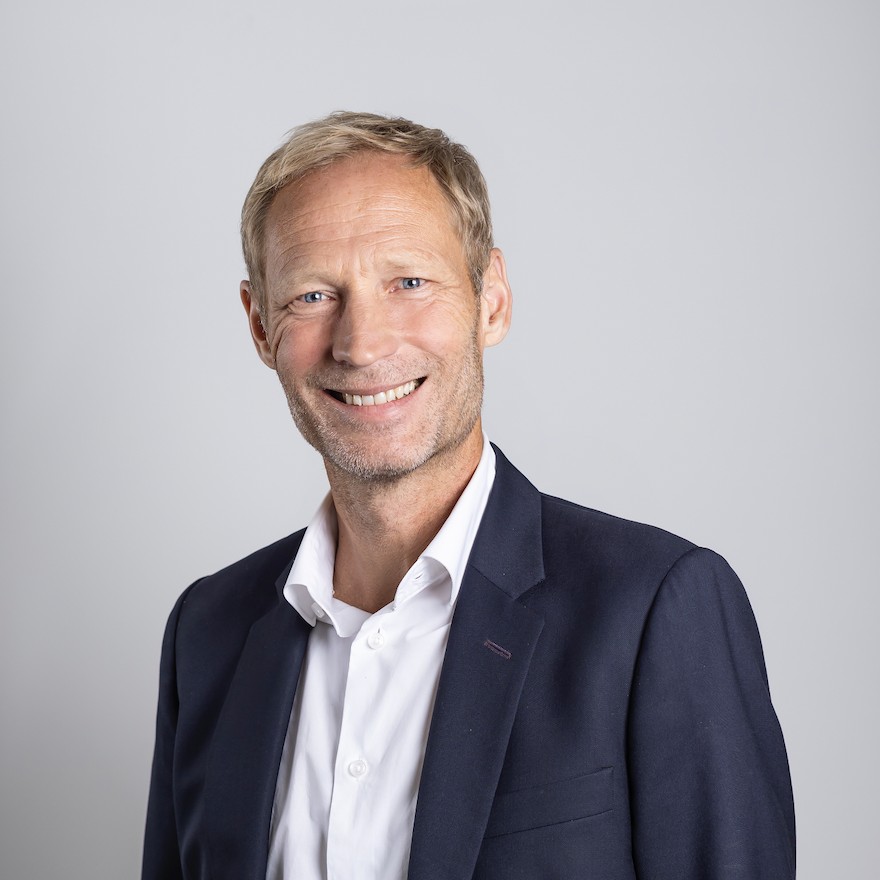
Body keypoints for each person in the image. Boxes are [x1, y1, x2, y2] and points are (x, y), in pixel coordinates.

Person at [142, 111, 795, 880]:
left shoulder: (655, 609)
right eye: (314, 295)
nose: (362, 344)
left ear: (492, 301)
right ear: (259, 327)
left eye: (409, 283)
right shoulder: (207, 634)